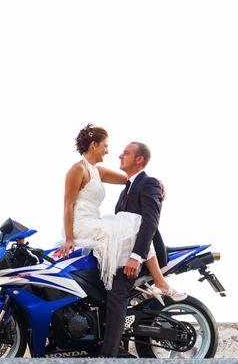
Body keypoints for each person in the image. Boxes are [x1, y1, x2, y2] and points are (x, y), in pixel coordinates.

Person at [57, 124, 185, 302]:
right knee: (133, 224)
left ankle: (158, 280)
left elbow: (131, 179)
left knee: (133, 223)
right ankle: (160, 281)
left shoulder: (97, 171)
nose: (108, 151)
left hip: (95, 221)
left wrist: (157, 182)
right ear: (94, 145)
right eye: (105, 146)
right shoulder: (77, 169)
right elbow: (68, 205)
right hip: (81, 224)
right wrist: (69, 239)